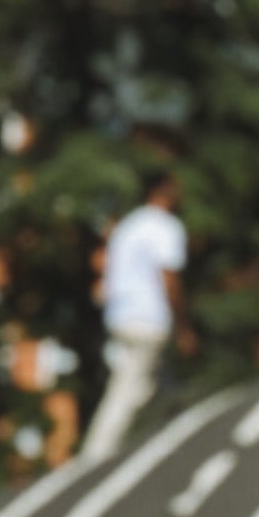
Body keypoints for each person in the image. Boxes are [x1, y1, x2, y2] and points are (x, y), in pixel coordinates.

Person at [80, 170, 188, 463]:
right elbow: (168, 277)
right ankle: (98, 456)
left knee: (145, 381)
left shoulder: (127, 226)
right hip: (148, 317)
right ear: (163, 191)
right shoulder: (165, 227)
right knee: (132, 389)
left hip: (120, 316)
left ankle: (163, 436)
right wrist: (183, 324)